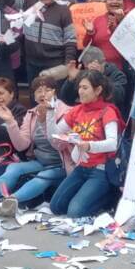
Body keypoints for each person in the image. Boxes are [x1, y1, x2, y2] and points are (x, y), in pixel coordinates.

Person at [0, 75, 74, 214]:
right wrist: (10, 122)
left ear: (54, 92)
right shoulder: (31, 113)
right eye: (38, 91)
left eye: (47, 90)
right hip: (41, 161)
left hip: (62, 164)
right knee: (14, 168)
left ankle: (11, 201)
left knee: (43, 177)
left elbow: (59, 143)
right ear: (34, 96)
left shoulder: (67, 112)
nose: (42, 94)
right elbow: (21, 145)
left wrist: (46, 121)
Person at [48, 70, 124, 218]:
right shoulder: (76, 110)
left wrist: (90, 145)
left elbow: (112, 143)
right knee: (56, 207)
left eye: (85, 88)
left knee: (75, 212)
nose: (80, 91)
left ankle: (108, 198)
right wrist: (50, 112)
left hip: (101, 170)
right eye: (79, 87)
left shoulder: (108, 111)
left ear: (98, 90)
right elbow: (55, 135)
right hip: (81, 167)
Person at [21, 0, 77, 81]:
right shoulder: (30, 3)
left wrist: (68, 64)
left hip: (54, 64)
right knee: (35, 96)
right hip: (32, 63)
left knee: (53, 96)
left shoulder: (63, 10)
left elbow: (70, 39)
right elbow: (9, 0)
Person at [59, 46, 128, 110]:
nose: (87, 71)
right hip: (85, 116)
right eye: (86, 68)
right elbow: (66, 100)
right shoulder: (84, 74)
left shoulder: (117, 75)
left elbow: (118, 97)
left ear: (103, 62)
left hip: (108, 113)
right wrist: (71, 81)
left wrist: (99, 77)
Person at [82, 0, 126, 69]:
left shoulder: (129, 18)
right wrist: (90, 32)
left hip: (122, 69)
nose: (114, 2)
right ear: (105, 2)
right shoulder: (98, 20)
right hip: (100, 68)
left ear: (123, 2)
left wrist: (121, 21)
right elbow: (86, 45)